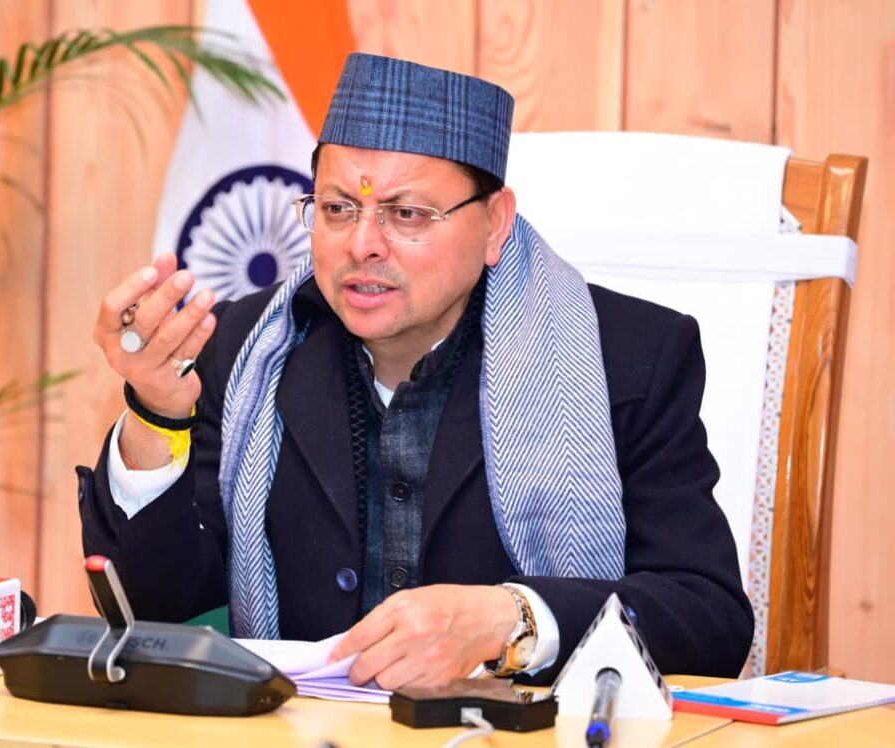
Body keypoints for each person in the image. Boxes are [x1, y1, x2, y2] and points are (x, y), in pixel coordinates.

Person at [79, 52, 753, 690]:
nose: (362, 244)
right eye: (338, 208)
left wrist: (513, 620)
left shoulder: (625, 356)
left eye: (407, 214)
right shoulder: (243, 345)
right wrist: (156, 411)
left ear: (495, 224)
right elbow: (157, 610)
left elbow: (710, 620)